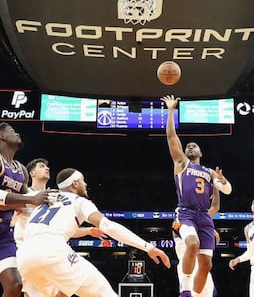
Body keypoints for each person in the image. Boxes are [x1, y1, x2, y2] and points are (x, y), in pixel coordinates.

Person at [16, 168, 171, 297]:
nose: (86, 184)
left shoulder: (41, 197)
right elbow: (108, 226)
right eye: (83, 181)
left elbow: (11, 204)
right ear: (75, 183)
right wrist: (148, 247)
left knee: (61, 293)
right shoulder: (80, 201)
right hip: (52, 251)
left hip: (25, 256)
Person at [161, 95, 232, 297]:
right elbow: (171, 137)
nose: (191, 146)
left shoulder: (210, 172)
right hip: (185, 212)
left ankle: (198, 293)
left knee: (206, 265)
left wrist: (221, 182)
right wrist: (171, 110)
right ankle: (185, 289)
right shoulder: (183, 164)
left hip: (203, 216)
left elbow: (226, 193)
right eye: (188, 146)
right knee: (192, 244)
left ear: (200, 151)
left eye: (194, 145)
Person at [13, 158, 105, 297]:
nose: (47, 168)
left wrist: (88, 231)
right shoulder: (25, 197)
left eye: (47, 166)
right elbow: (11, 220)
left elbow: (62, 230)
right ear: (31, 173)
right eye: (42, 166)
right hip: (29, 250)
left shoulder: (55, 196)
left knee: (63, 292)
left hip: (51, 250)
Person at [0, 122, 50, 297]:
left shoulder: (20, 170)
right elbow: (29, 199)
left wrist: (51, 201)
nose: (18, 134)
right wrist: (31, 198)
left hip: (4, 235)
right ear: (2, 136)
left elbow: (27, 202)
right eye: (13, 131)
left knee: (14, 284)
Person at [173, 186, 220, 297]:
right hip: (188, 271)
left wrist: (216, 188)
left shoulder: (203, 220)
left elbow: (215, 206)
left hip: (203, 272)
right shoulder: (181, 218)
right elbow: (177, 230)